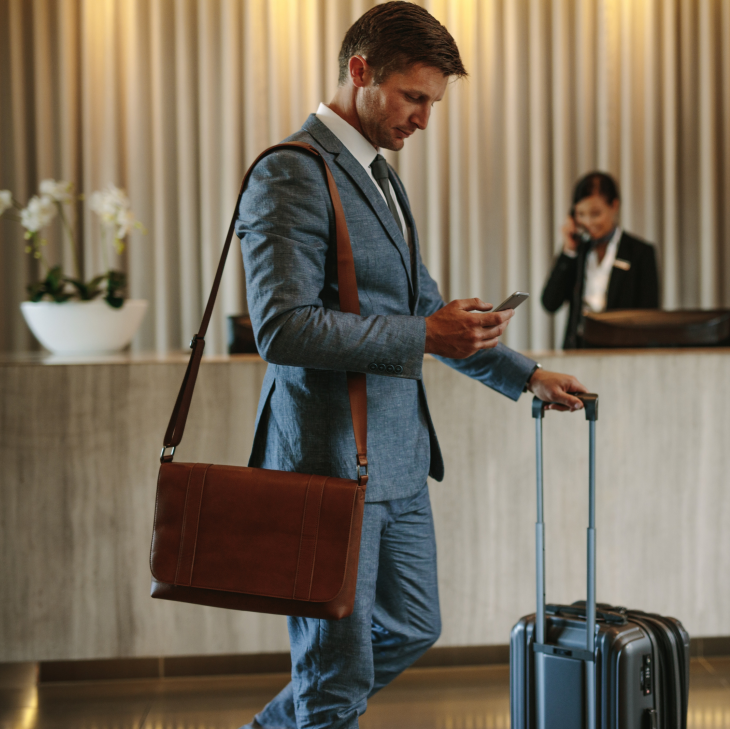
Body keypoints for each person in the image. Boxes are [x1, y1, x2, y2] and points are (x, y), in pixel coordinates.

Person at [235, 4, 587, 728]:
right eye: (414, 97)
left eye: (434, 101)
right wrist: (424, 332)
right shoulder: (292, 172)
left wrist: (526, 374)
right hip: (328, 464)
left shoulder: (382, 177)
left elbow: (421, 307)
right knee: (335, 674)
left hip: (396, 459)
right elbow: (282, 327)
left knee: (414, 627)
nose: (425, 119)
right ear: (360, 72)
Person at [541, 172, 660, 349]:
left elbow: (649, 315)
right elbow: (550, 303)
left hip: (623, 350)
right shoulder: (577, 251)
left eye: (595, 214)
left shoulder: (640, 252)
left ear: (614, 206)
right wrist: (568, 251)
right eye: (581, 214)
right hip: (579, 350)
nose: (588, 222)